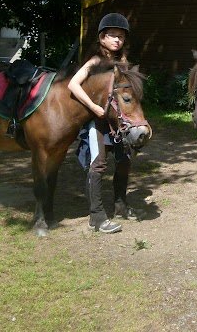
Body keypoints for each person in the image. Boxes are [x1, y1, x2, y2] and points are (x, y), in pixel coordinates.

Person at [68, 12, 133, 234]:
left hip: (119, 123)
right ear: (102, 38)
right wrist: (93, 107)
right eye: (112, 35)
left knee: (124, 161)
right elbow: (73, 84)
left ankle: (121, 204)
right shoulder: (95, 61)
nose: (117, 40)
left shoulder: (123, 63)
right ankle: (96, 217)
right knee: (98, 165)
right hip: (98, 122)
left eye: (121, 37)